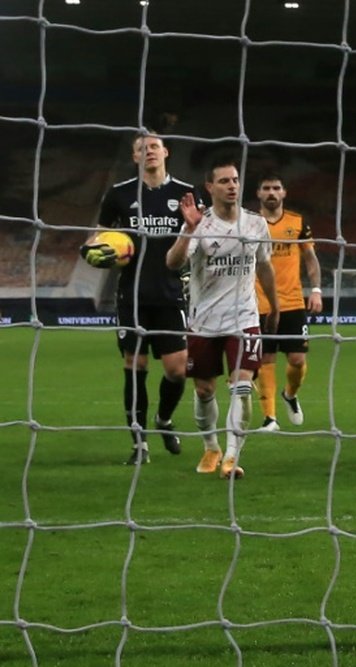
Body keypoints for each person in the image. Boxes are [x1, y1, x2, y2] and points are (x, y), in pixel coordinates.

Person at [80, 132, 201, 465]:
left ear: (166, 152)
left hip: (171, 292)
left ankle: (163, 419)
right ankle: (139, 445)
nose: (149, 152)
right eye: (141, 149)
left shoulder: (186, 194)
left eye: (154, 147)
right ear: (134, 157)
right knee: (136, 367)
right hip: (131, 295)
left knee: (178, 370)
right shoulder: (119, 194)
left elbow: (201, 237)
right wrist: (90, 250)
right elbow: (99, 236)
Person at [165, 158, 279, 480]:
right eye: (225, 181)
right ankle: (211, 446)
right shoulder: (199, 224)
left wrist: (275, 304)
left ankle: (231, 457)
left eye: (235, 180)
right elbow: (173, 263)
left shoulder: (256, 224)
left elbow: (264, 266)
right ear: (210, 187)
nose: (232, 186)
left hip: (244, 316)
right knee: (204, 390)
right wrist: (187, 229)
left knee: (242, 386)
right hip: (204, 320)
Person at [253, 173, 323, 431]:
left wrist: (315, 289)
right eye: (266, 188)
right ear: (258, 194)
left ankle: (290, 394)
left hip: (293, 302)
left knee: (297, 360)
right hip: (260, 303)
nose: (271, 192)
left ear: (284, 193)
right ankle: (270, 418)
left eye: (276, 188)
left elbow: (311, 258)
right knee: (265, 359)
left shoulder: (297, 223)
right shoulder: (250, 223)